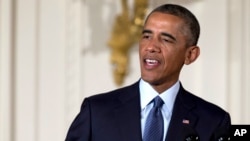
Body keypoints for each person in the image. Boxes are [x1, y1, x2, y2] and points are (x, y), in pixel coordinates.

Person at [65, 4, 231, 141]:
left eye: (166, 39)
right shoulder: (96, 112)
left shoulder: (214, 121)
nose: (151, 46)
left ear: (190, 55)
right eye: (146, 36)